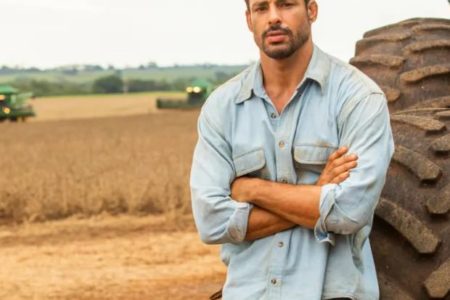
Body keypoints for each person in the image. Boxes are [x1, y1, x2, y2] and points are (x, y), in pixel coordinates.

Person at [190, 0, 394, 299]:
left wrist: (253, 189)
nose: (273, 17)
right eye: (261, 8)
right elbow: (211, 222)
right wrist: (318, 192)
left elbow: (350, 211)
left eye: (286, 4)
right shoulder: (222, 108)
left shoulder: (359, 98)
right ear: (249, 19)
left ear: (312, 10)